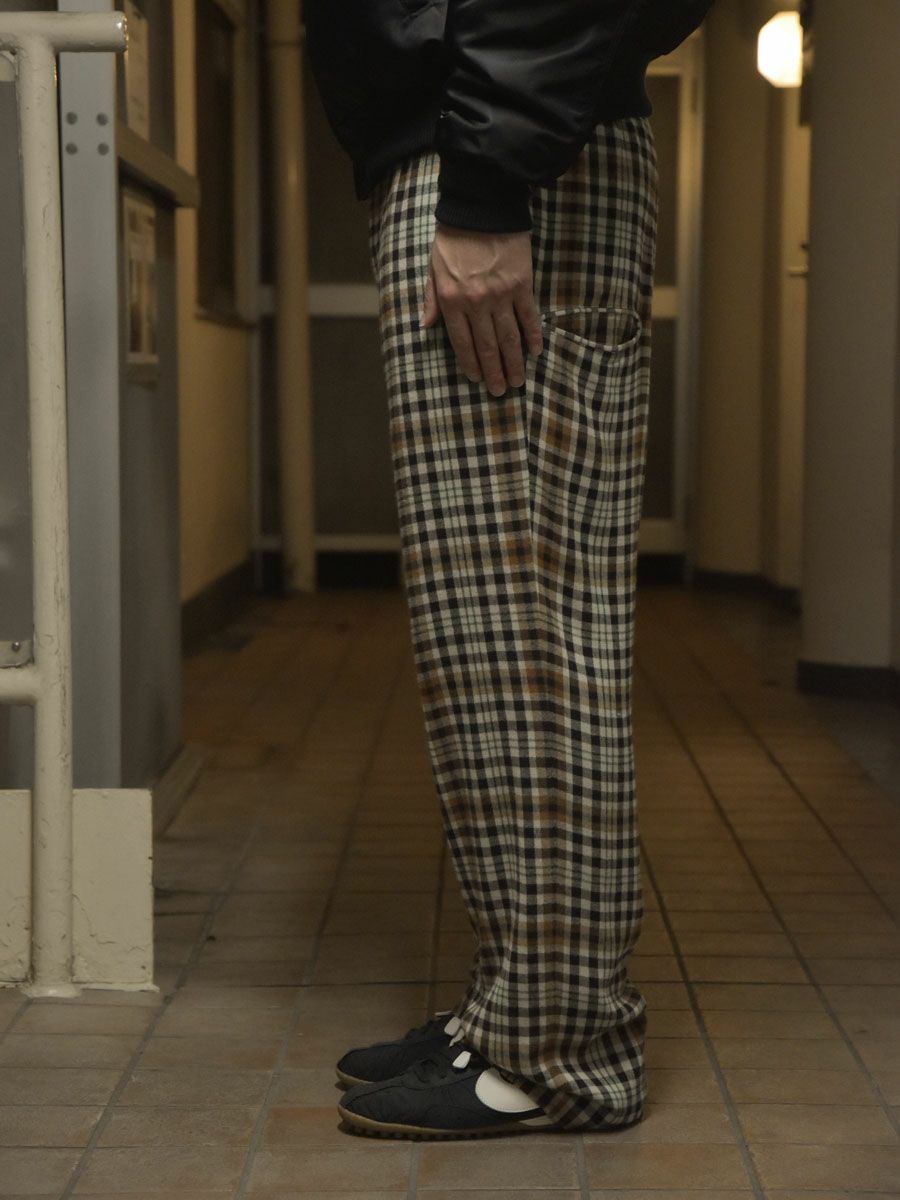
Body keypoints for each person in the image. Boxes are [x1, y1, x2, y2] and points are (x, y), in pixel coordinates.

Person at [304, 0, 716, 1140]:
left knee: (524, 642)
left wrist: (487, 182)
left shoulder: (497, 162)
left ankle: (558, 1052)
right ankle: (520, 1008)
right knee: (497, 639)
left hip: (511, 160)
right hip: (499, 141)